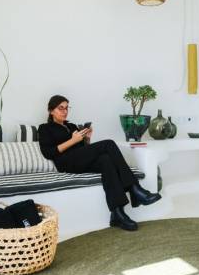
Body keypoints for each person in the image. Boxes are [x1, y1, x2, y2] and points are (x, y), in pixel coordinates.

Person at [38, 95, 161, 231]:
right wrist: (73, 140)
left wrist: (87, 139)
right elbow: (48, 152)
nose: (65, 111)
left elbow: (83, 151)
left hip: (79, 160)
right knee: (108, 144)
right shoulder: (45, 128)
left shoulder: (71, 126)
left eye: (67, 108)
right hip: (66, 163)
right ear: (51, 110)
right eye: (60, 108)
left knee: (106, 161)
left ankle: (117, 214)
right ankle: (134, 189)